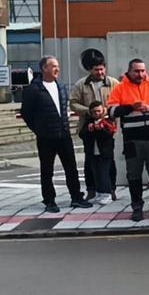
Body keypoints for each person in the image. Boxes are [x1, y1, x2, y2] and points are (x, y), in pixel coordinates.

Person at [20, 56, 90, 212]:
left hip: (63, 134)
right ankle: (49, 200)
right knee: (47, 170)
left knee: (71, 168)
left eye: (57, 66)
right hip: (45, 137)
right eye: (53, 66)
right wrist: (39, 129)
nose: (57, 69)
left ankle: (76, 197)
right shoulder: (33, 89)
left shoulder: (61, 86)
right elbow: (26, 113)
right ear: (44, 68)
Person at [107, 58, 149, 221]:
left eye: (143, 70)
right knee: (134, 176)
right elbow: (112, 111)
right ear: (129, 71)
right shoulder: (120, 88)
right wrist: (131, 107)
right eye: (136, 71)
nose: (140, 74)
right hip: (132, 140)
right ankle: (137, 208)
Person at [69, 57, 118, 201]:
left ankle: (111, 188)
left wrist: (107, 110)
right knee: (89, 159)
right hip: (88, 126)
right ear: (90, 70)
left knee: (108, 159)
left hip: (107, 127)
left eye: (102, 69)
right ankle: (91, 189)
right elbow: (73, 103)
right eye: (96, 70)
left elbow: (120, 99)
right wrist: (89, 111)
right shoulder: (81, 84)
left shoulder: (113, 83)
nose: (100, 72)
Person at [79, 102, 117, 201]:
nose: (97, 113)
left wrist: (100, 129)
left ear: (103, 110)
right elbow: (81, 134)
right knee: (96, 173)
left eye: (98, 111)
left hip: (105, 152)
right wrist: (89, 129)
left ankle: (107, 194)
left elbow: (110, 133)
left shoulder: (108, 120)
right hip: (92, 152)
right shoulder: (88, 122)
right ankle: (99, 193)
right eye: (94, 112)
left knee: (105, 173)